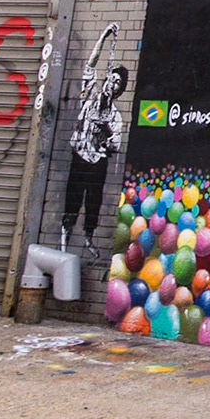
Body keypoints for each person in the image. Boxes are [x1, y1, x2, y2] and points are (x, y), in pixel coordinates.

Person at [63, 24, 127, 250]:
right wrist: (104, 35)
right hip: (80, 156)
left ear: (120, 90)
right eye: (112, 79)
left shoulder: (115, 117)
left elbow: (115, 145)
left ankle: (89, 237)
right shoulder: (90, 96)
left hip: (97, 163)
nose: (113, 84)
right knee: (72, 198)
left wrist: (106, 132)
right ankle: (65, 236)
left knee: (93, 202)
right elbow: (91, 64)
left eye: (118, 83)